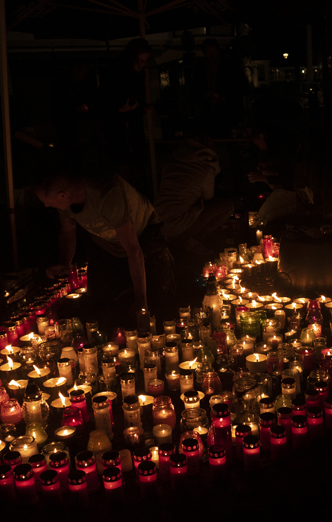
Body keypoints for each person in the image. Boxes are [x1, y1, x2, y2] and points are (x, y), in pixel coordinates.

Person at [35, 168, 173, 318]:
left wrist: (141, 300)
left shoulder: (107, 194)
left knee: (157, 302)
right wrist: (65, 262)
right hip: (107, 244)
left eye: (48, 202)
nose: (46, 206)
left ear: (62, 195)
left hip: (144, 238)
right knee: (101, 305)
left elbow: (134, 249)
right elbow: (68, 230)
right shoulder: (65, 203)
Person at [153, 135, 235, 255]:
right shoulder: (204, 168)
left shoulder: (171, 162)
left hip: (157, 221)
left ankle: (178, 239)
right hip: (178, 224)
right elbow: (208, 199)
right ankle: (193, 240)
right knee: (228, 206)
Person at [101, 38, 153, 196]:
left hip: (133, 130)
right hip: (118, 131)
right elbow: (104, 101)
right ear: (132, 58)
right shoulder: (114, 73)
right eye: (141, 61)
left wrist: (142, 106)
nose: (143, 64)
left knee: (136, 169)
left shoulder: (139, 74)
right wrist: (119, 109)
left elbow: (137, 97)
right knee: (122, 172)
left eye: (145, 61)